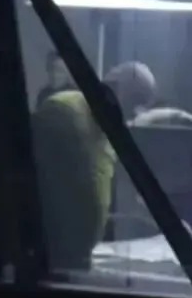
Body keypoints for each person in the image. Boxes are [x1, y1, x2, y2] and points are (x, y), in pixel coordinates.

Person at [32, 61, 156, 271]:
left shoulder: (108, 131)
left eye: (139, 106)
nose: (134, 113)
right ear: (112, 85)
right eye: (134, 100)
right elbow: (28, 180)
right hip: (51, 261)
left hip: (79, 261)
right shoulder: (62, 109)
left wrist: (165, 223)